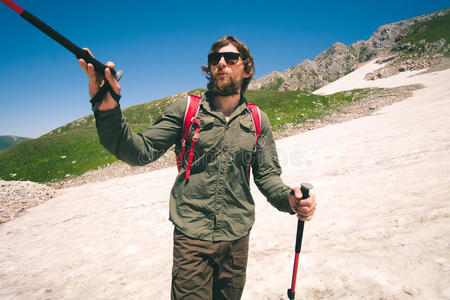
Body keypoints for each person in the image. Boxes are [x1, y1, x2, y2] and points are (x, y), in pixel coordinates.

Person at [78, 35, 317, 300]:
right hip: (192, 240)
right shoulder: (187, 109)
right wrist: (107, 106)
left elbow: (267, 176)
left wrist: (290, 200)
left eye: (231, 58)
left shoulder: (257, 120)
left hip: (237, 240)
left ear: (246, 68)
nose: (221, 63)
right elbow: (140, 151)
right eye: (215, 59)